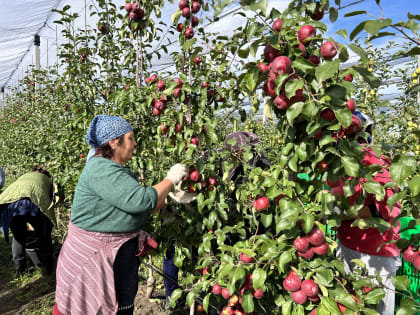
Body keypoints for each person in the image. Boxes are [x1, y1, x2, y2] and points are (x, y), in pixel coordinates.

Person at [53, 115, 188, 315]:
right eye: (131, 138)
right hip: (96, 257)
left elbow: (135, 206)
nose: (135, 143)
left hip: (114, 254)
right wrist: (170, 179)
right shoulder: (101, 168)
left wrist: (169, 199)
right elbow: (141, 200)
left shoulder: (112, 169)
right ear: (115, 142)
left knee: (121, 305)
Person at [162, 131, 271, 307]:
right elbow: (181, 191)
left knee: (203, 252)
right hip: (179, 208)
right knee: (173, 252)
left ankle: (211, 290)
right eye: (239, 156)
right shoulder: (205, 163)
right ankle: (172, 294)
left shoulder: (258, 162)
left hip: (206, 213)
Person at [333, 111, 401, 315]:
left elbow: (389, 207)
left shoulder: (373, 159)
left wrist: (349, 212)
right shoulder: (341, 163)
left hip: (375, 256)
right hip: (347, 248)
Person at [0, 165, 55, 277]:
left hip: (8, 204)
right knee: (43, 233)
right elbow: (50, 202)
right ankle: (47, 267)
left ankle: (20, 271)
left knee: (18, 236)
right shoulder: (47, 180)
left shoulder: (24, 177)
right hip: (31, 203)